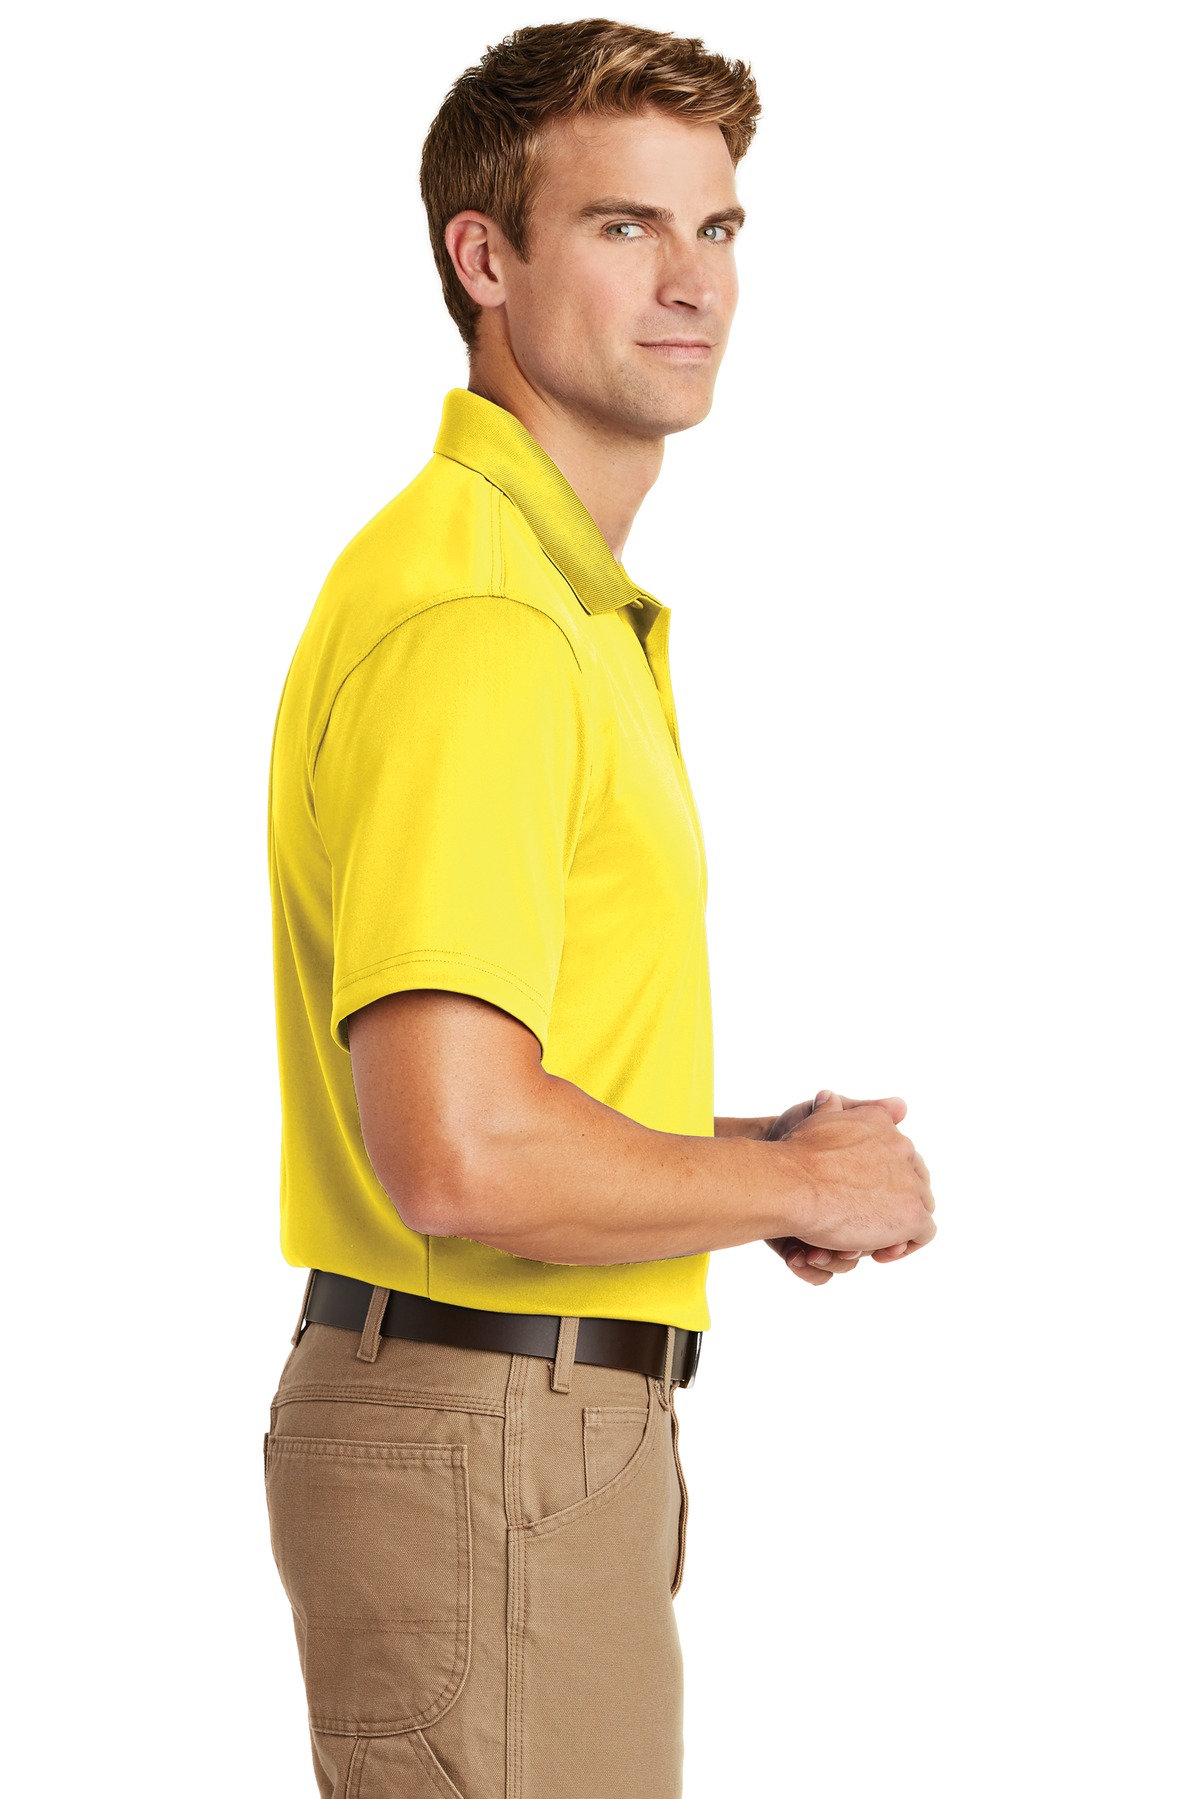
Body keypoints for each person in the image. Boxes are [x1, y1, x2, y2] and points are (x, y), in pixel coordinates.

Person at [262, 19, 937, 1799]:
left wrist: (736, 1153)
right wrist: (800, 1188)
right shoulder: (485, 624)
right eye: (625, 226)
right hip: (493, 1425)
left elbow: (490, 1101)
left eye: (717, 229)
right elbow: (458, 1154)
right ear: (484, 259)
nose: (692, 282)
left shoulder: (537, 597)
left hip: (520, 1424)